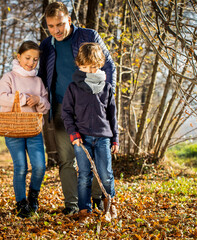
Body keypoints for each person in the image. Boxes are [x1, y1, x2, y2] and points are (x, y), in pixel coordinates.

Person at [38, 1, 116, 215]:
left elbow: (108, 66)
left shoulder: (88, 35)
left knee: (94, 159)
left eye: (60, 24)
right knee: (66, 160)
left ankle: (97, 199)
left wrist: (105, 97)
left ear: (69, 20)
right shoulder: (47, 45)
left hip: (90, 109)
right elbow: (42, 77)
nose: (56, 30)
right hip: (62, 109)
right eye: (51, 26)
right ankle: (72, 206)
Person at [61, 42, 119, 219]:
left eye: (93, 67)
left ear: (100, 64)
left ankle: (110, 206)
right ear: (79, 65)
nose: (90, 71)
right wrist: (74, 134)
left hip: (103, 138)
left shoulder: (107, 88)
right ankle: (84, 210)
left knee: (106, 174)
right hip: (82, 138)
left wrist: (115, 138)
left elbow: (112, 115)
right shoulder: (73, 88)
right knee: (84, 176)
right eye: (85, 67)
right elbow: (66, 113)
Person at [0, 41, 50, 218]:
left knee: (40, 167)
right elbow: (2, 98)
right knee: (20, 167)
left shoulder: (38, 81)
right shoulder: (9, 77)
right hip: (13, 130)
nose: (31, 62)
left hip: (34, 130)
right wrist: (23, 98)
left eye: (35, 59)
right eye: (27, 58)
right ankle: (21, 204)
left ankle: (33, 197)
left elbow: (46, 106)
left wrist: (38, 101)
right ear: (18, 57)